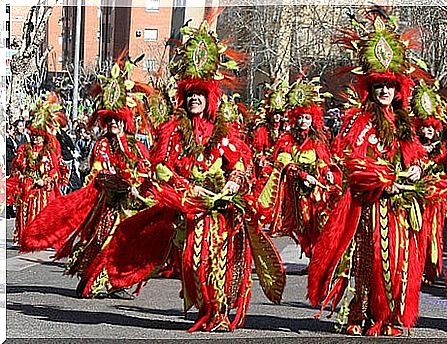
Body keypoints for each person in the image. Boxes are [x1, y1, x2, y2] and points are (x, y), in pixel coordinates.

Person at [80, 19, 285, 332]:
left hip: (219, 210)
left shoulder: (222, 132)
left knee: (217, 262)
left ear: (209, 98)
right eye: (190, 95)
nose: (194, 100)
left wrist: (233, 181)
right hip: (186, 207)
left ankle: (216, 312)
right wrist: (182, 187)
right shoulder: (172, 131)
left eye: (200, 95)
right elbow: (161, 166)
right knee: (192, 263)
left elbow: (240, 164)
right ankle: (205, 306)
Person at [308, 14, 429, 336]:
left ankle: (389, 317)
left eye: (390, 85)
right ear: (370, 87)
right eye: (379, 86)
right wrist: (379, 177)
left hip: (398, 209)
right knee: (366, 262)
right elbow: (348, 159)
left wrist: (415, 169)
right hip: (368, 207)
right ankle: (357, 316)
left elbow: (415, 156)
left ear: (398, 88)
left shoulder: (405, 124)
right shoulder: (358, 121)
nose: (385, 91)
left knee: (396, 264)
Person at [20, 60, 152, 299]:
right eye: (108, 120)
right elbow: (100, 174)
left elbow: (144, 168)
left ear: (125, 121)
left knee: (125, 245)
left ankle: (115, 282)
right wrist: (123, 184)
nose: (112, 123)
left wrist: (140, 185)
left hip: (130, 207)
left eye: (116, 120)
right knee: (101, 240)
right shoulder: (101, 145)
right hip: (107, 205)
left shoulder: (136, 146)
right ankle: (92, 279)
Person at [259, 79, 342, 260]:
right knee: (302, 226)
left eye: (307, 117)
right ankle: (312, 255)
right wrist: (301, 174)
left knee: (319, 221)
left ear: (312, 119)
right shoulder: (287, 139)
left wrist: (326, 171)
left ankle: (319, 256)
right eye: (300, 117)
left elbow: (322, 159)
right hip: (297, 190)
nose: (303, 121)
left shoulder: (317, 139)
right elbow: (285, 161)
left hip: (317, 188)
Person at [8, 93, 69, 246]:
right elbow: (16, 167)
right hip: (27, 186)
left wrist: (46, 180)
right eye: (34, 135)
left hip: (43, 189)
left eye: (39, 136)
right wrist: (22, 178)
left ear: (44, 137)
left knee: (43, 213)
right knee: (24, 213)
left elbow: (55, 170)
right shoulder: (23, 149)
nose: (36, 138)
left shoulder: (49, 151)